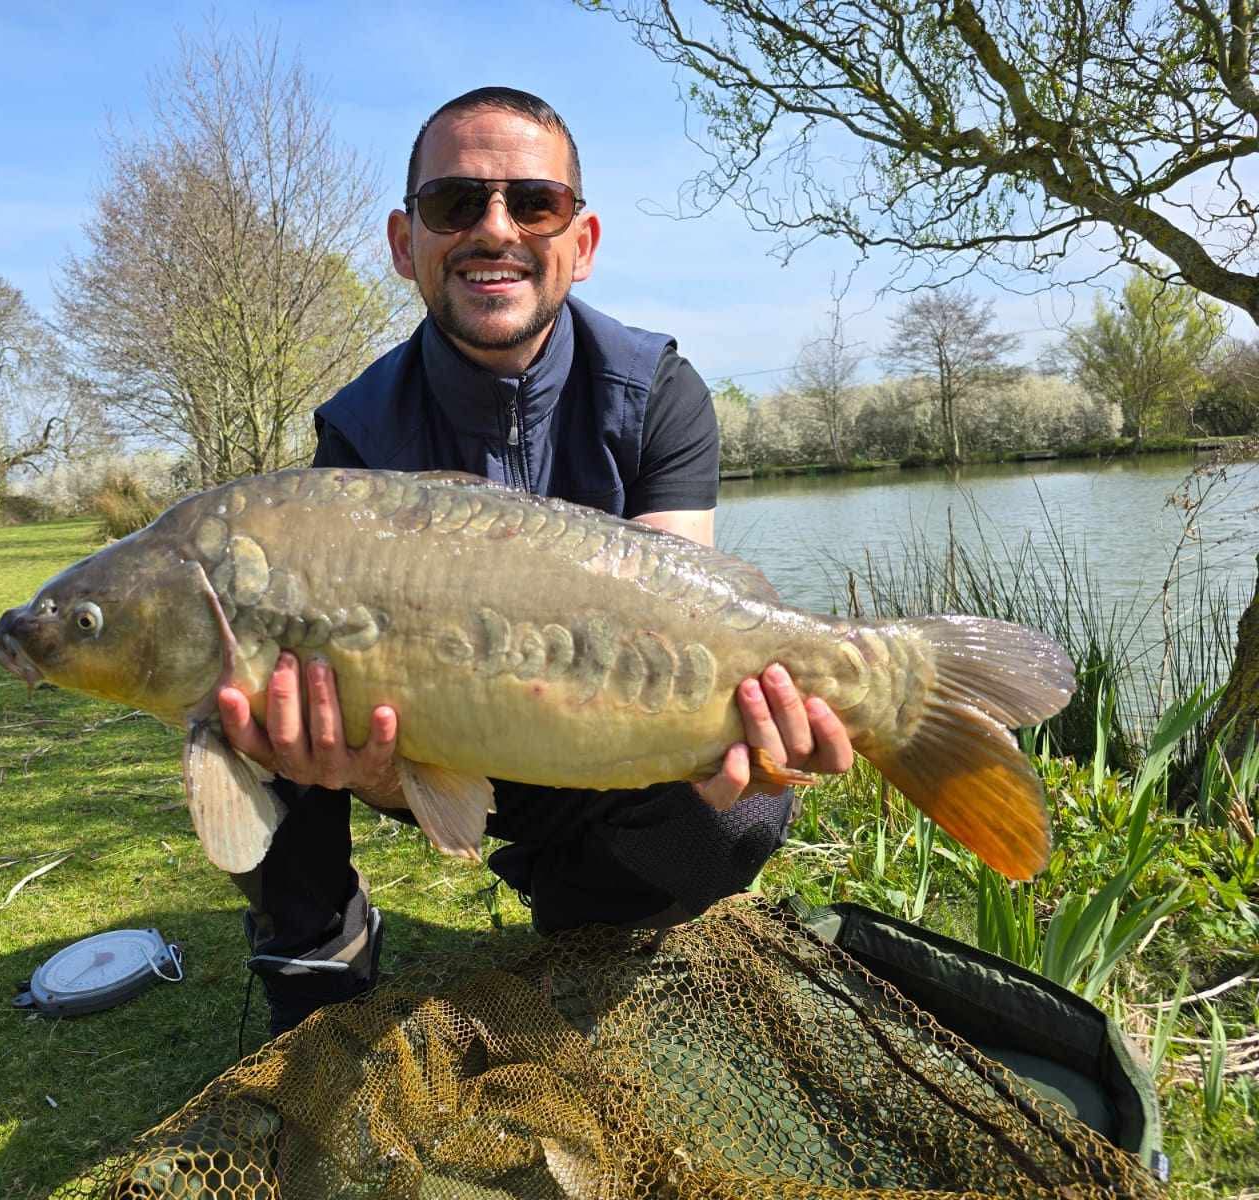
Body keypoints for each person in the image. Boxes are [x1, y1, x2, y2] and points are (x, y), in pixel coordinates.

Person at [216, 87, 855, 1037]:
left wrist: (728, 742)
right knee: (242, 677)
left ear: (582, 241)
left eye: (534, 204)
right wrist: (368, 772)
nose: (495, 229)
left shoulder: (659, 394)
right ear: (405, 242)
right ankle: (318, 957)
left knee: (738, 816)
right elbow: (333, 702)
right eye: (454, 205)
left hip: (595, 733)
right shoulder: (356, 431)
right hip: (425, 728)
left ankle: (586, 907)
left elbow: (685, 623)